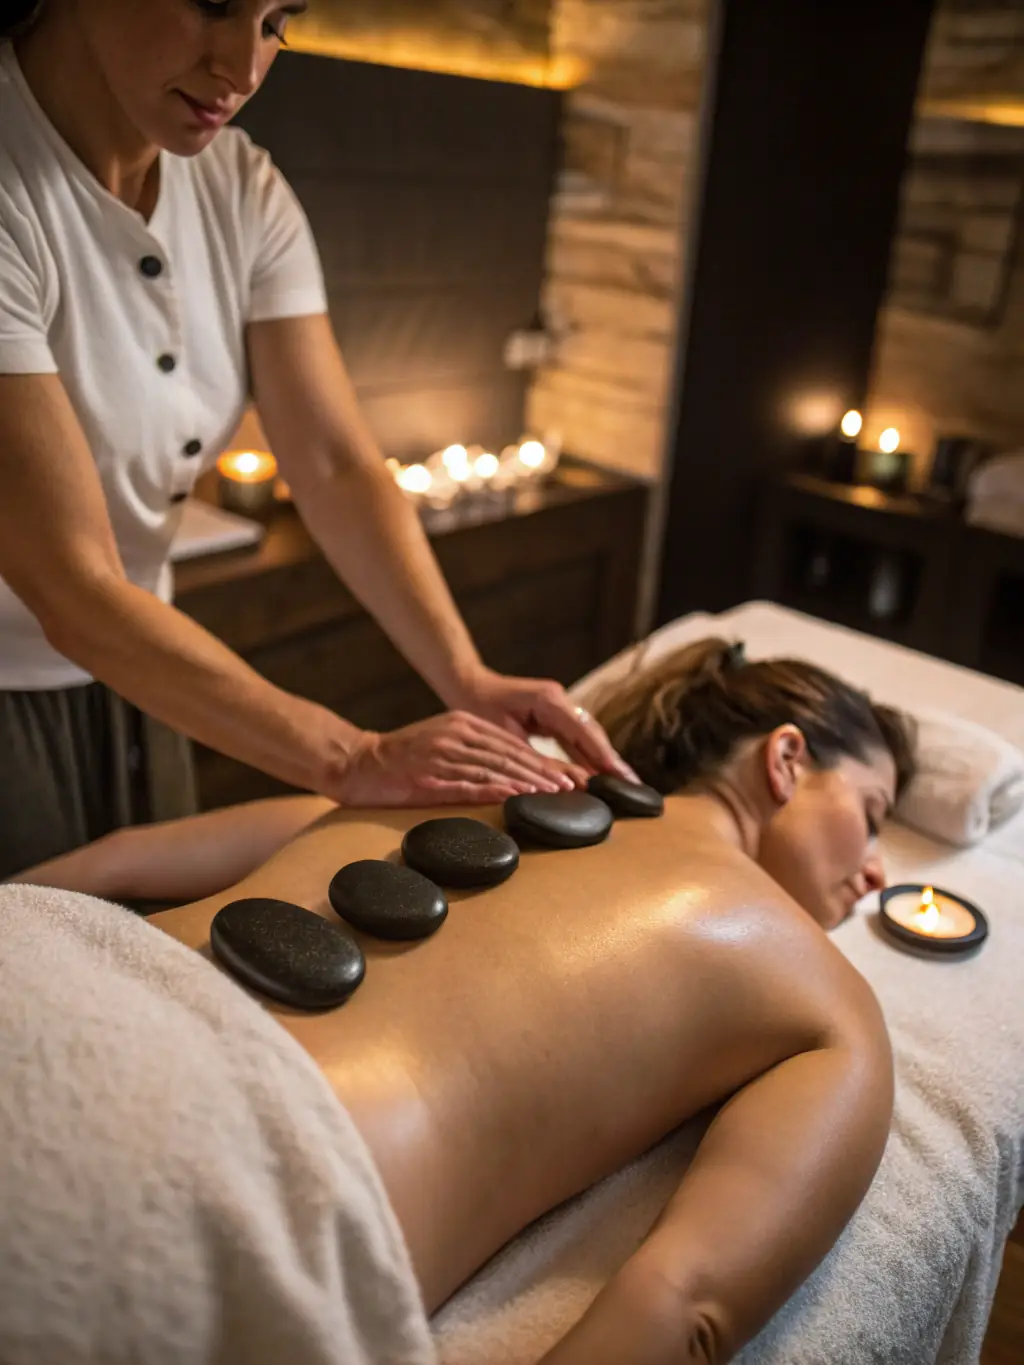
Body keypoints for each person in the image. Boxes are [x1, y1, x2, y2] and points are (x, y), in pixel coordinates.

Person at [8, 639, 916, 1362]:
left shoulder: (459, 771)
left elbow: (116, 858)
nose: (876, 872)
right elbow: (682, 1311)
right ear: (787, 758)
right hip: (224, 1172)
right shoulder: (827, 999)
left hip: (49, 982)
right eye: (874, 812)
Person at [0, 0, 630, 882]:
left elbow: (335, 466)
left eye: (276, 20)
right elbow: (74, 587)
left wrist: (465, 675)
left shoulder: (241, 188)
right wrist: (348, 758)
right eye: (214, 5)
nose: (244, 67)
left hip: (148, 675)